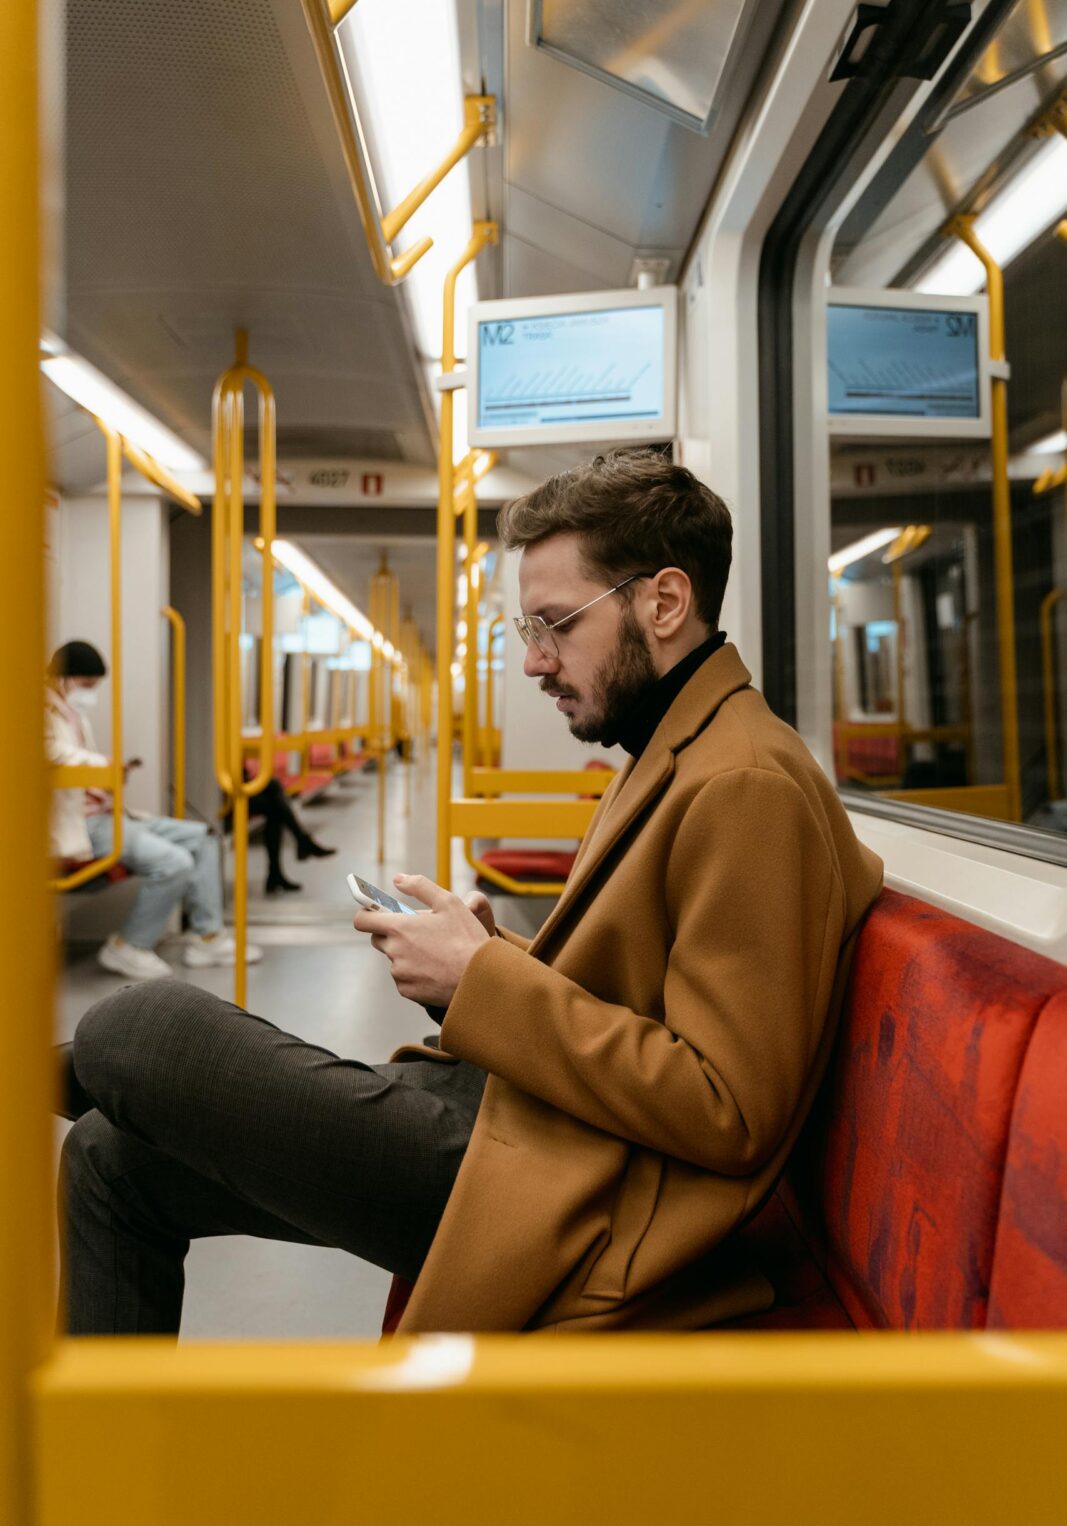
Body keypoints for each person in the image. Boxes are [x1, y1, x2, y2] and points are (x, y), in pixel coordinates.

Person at [59, 452, 883, 1336]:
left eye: (556, 625)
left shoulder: (745, 782)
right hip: (539, 1123)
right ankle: (110, 1475)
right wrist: (495, 955)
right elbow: (645, 1003)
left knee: (138, 1030)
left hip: (589, 1195)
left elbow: (727, 1110)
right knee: (108, 1157)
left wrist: (479, 982)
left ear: (665, 602)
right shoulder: (675, 751)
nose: (534, 661)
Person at [47, 640, 261, 980]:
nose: (89, 694)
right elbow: (51, 754)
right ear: (63, 678)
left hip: (105, 815)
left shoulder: (73, 715)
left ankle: (208, 936)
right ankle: (129, 945)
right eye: (86, 685)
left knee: (204, 836)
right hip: (80, 824)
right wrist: (103, 765)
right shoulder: (38, 712)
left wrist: (107, 771)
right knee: (173, 863)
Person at [242, 772, 336, 894]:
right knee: (276, 808)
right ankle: (302, 842)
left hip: (242, 785)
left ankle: (276, 873)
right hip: (230, 790)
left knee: (274, 788)